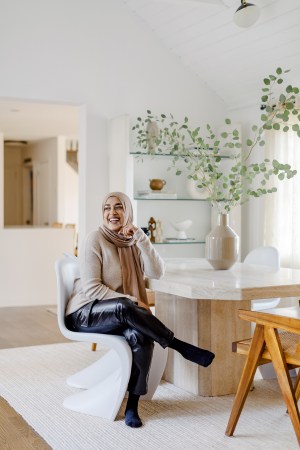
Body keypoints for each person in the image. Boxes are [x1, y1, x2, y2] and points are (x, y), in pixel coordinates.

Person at [65, 192, 215, 428]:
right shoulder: (94, 239)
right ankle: (181, 346)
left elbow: (157, 272)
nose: (112, 213)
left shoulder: (132, 241)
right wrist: (131, 301)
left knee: (141, 336)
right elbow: (92, 289)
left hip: (119, 311)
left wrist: (142, 239)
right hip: (85, 313)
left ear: (128, 212)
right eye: (107, 208)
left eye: (118, 207)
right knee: (127, 307)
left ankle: (132, 405)